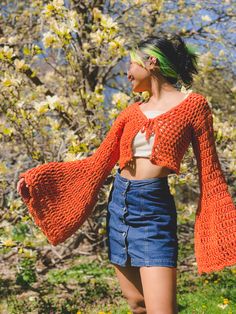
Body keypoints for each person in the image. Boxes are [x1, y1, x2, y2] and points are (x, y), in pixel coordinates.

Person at [17, 33, 236, 314]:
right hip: (119, 205)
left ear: (151, 62)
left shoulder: (193, 106)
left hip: (153, 209)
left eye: (131, 63)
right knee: (137, 304)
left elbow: (210, 168)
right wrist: (38, 178)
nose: (127, 72)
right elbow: (97, 164)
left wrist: (221, 221)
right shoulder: (131, 113)